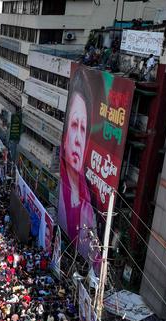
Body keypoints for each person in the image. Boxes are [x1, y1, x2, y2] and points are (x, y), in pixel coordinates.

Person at [58, 67, 97, 262]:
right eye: (74, 125)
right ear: (65, 138)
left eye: (83, 129)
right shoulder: (61, 199)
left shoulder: (90, 214)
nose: (78, 139)